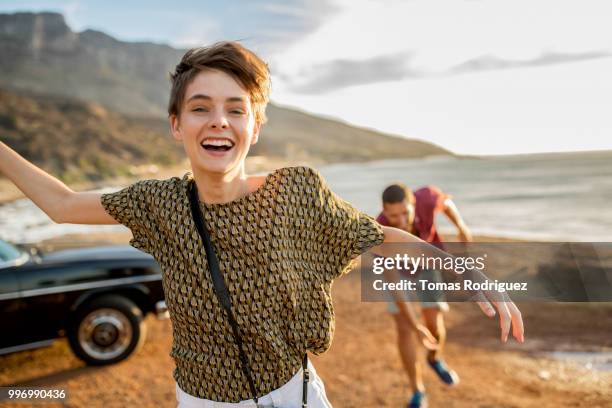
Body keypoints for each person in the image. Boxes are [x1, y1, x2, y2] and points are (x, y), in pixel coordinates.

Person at [0, 41, 523, 408]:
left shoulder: (295, 192)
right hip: (206, 401)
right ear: (177, 125)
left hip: (297, 393)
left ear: (255, 124)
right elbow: (63, 203)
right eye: (200, 108)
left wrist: (468, 273)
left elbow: (378, 235)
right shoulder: (159, 204)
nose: (219, 121)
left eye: (236, 108)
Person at [376, 183, 472, 408]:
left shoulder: (426, 199)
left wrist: (461, 226)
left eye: (404, 212)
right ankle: (417, 390)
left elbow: (446, 203)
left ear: (413, 205)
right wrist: (414, 325)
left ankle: (434, 359)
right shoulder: (379, 230)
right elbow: (394, 284)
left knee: (434, 324)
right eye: (392, 216)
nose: (399, 221)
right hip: (399, 271)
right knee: (405, 329)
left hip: (427, 261)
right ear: (384, 212)